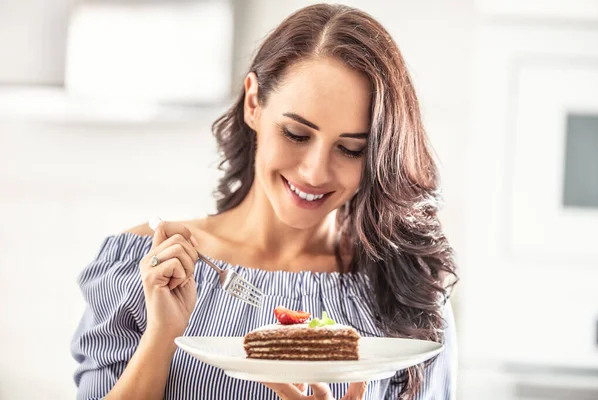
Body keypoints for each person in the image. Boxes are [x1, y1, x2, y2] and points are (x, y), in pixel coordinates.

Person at [71, 3, 458, 400]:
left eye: (351, 149)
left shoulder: (408, 290)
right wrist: (161, 337)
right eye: (296, 134)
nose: (315, 173)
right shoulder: (147, 267)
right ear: (253, 103)